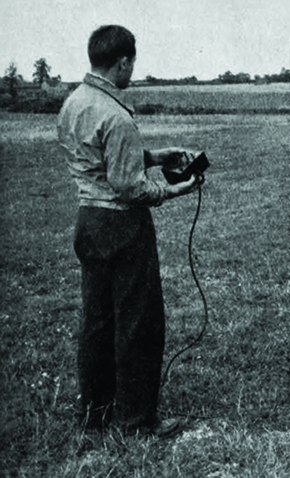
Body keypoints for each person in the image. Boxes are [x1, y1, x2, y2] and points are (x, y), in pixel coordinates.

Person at [57, 25, 199, 438]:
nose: (131, 71)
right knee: (138, 321)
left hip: (88, 222)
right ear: (122, 62)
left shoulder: (73, 104)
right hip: (122, 226)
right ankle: (136, 421)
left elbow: (100, 162)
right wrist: (176, 188)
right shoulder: (116, 115)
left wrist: (155, 156)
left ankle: (95, 415)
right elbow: (129, 186)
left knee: (97, 322)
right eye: (131, 64)